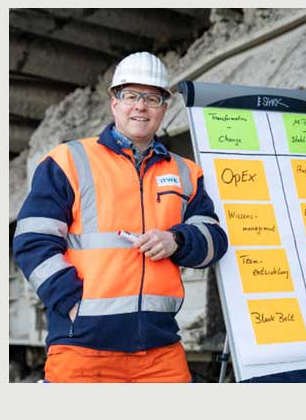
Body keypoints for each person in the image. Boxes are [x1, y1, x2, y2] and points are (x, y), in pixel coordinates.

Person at [13, 52, 227, 383]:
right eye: (131, 95)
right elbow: (32, 241)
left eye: (152, 98)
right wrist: (73, 305)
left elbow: (215, 238)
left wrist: (177, 239)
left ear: (164, 108)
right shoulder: (69, 161)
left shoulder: (186, 173)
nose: (141, 106)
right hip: (83, 350)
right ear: (115, 103)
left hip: (160, 349)